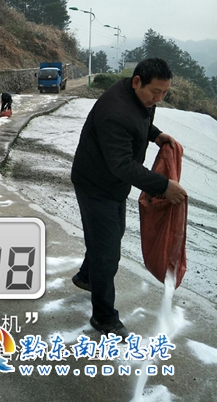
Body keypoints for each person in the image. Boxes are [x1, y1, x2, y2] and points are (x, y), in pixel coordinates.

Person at [70, 58, 187, 338]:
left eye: (164, 93)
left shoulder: (138, 97)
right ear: (137, 82)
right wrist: (163, 186)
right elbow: (121, 164)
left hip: (112, 185)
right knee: (107, 253)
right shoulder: (115, 111)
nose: (158, 98)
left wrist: (156, 135)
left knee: (110, 236)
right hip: (95, 185)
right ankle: (104, 317)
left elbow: (141, 121)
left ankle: (87, 276)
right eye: (155, 92)